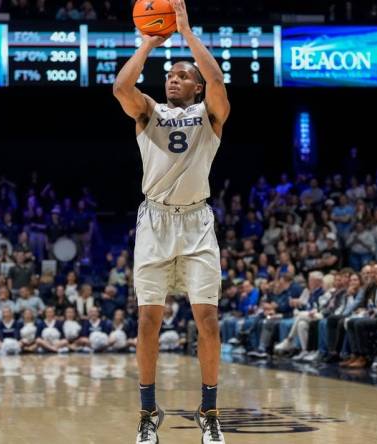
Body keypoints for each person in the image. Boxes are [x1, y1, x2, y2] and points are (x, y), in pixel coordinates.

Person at [113, 0, 230, 441]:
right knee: (148, 320)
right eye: (171, 75)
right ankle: (147, 413)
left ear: (197, 87)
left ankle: (210, 411)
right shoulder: (149, 111)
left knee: (208, 320)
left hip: (197, 222)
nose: (174, 79)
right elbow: (121, 88)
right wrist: (147, 42)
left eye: (183, 76)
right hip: (155, 221)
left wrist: (185, 31)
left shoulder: (209, 115)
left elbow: (217, 78)